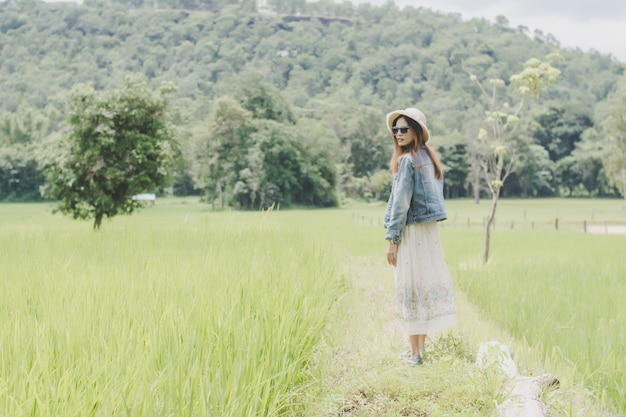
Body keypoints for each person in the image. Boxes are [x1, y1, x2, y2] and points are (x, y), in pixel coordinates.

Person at [383, 107, 457, 366]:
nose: (398, 134)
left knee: (410, 287)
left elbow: (401, 203)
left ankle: (415, 354)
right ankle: (419, 349)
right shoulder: (429, 159)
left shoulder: (407, 161)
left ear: (416, 131)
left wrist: (393, 240)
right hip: (428, 233)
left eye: (404, 129)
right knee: (422, 287)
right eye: (396, 129)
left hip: (412, 231)